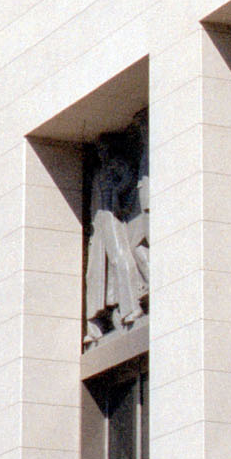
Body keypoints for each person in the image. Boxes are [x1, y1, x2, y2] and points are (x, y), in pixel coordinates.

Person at [85, 128, 148, 345]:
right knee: (101, 269)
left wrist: (117, 194)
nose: (102, 154)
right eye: (99, 151)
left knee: (120, 257)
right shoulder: (101, 170)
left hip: (112, 215)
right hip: (101, 220)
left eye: (104, 149)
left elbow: (128, 181)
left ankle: (132, 307)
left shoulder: (116, 164)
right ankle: (115, 312)